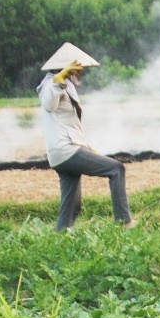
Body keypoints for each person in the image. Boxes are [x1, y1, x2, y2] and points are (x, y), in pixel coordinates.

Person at [37, 42, 135, 232]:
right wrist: (60, 77)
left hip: (64, 150)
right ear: (64, 68)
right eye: (76, 69)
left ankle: (61, 237)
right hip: (65, 150)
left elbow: (70, 125)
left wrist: (88, 148)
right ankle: (124, 222)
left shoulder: (67, 86)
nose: (79, 72)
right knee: (116, 169)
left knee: (72, 205)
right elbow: (49, 104)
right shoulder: (51, 84)